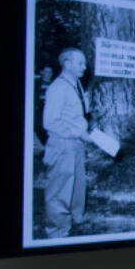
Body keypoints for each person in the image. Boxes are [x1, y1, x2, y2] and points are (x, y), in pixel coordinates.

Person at [41, 48, 90, 237]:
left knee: (77, 184)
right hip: (62, 144)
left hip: (76, 143)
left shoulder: (74, 84)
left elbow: (73, 115)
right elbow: (50, 122)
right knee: (59, 189)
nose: (84, 68)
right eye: (81, 63)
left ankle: (76, 217)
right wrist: (75, 132)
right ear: (67, 64)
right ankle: (57, 231)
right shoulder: (58, 87)